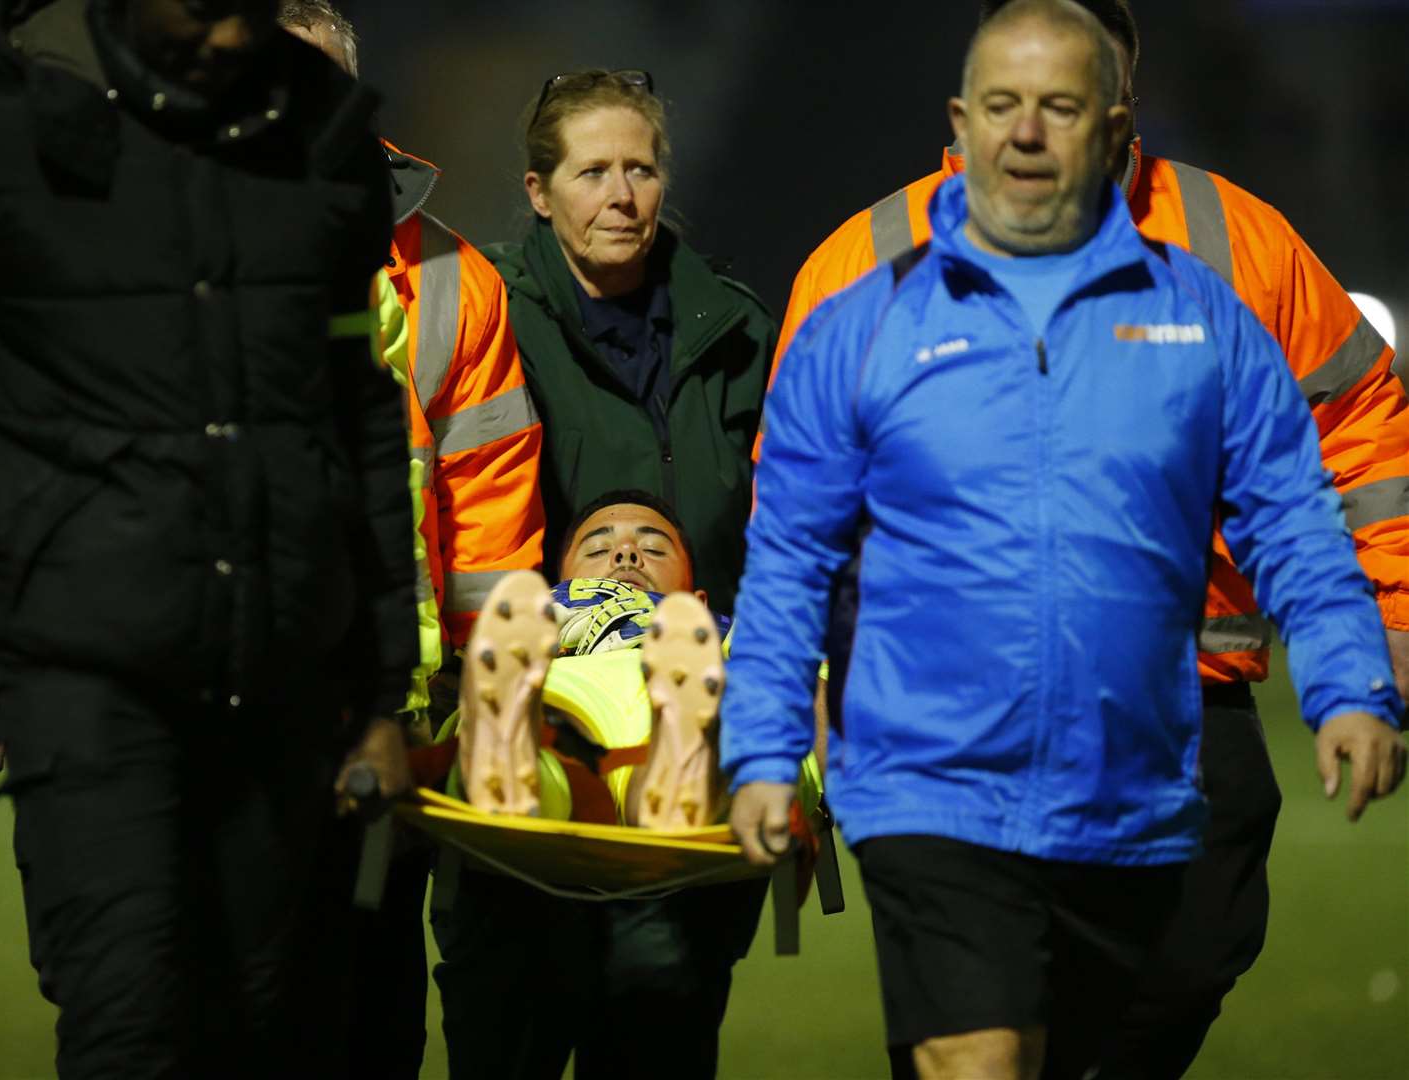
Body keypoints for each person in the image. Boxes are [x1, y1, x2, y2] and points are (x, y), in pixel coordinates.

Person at [722, 4, 1406, 1080]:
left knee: (1143, 1004)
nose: (1028, 134)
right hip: (931, 762)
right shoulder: (860, 307)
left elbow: (1290, 509)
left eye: (1060, 108)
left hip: (1143, 757)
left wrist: (1356, 677)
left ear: (1117, 124)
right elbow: (790, 550)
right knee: (977, 1056)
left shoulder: (1199, 312)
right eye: (1002, 107)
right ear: (960, 119)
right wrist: (766, 745)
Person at [0, 0, 415, 1074]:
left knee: (278, 1031)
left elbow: (357, 417)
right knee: (132, 1024)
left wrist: (384, 683)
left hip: (284, 677)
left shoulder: (322, 135)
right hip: (85, 674)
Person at [429, 489, 805, 1080]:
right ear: (561, 575)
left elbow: (798, 689)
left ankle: (675, 763)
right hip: (559, 695)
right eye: (599, 546)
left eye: (651, 547)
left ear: (697, 594)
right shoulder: (536, 615)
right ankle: (512, 750)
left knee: (736, 728)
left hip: (665, 693)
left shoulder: (712, 629)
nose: (626, 554)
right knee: (541, 742)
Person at [483, 69, 775, 616]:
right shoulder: (492, 320)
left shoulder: (739, 330)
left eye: (639, 170)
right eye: (593, 172)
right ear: (540, 193)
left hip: (718, 664)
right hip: (558, 670)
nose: (622, 196)